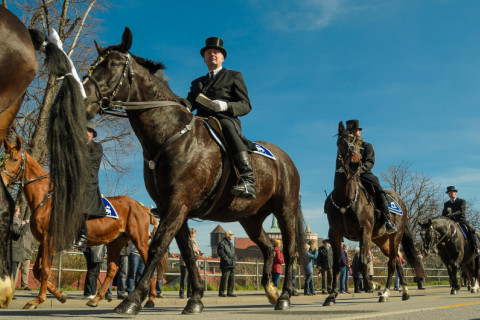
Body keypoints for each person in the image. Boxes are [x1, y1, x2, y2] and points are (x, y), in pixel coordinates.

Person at [186, 37, 256, 199]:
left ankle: (247, 178)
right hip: (201, 121)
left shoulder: (233, 75)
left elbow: (245, 105)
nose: (212, 54)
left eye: (216, 52)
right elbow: (189, 102)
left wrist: (226, 106)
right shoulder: (197, 83)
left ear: (222, 57)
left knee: (225, 125)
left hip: (225, 119)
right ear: (204, 58)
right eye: (209, 52)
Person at [347, 120, 397, 234]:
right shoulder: (346, 147)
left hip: (363, 174)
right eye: (351, 131)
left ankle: (388, 220)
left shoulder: (366, 146)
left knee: (377, 185)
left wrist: (358, 170)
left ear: (359, 132)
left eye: (355, 130)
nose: (354, 133)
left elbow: (369, 162)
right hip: (348, 175)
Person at [73, 121, 105, 251]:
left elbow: (89, 160)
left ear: (90, 133)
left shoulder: (97, 147)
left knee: (77, 203)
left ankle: (82, 236)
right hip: (76, 180)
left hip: (89, 181)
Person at [442, 186, 480, 254]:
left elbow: (461, 211)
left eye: (451, 192)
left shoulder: (462, 201)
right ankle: (441, 250)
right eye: (449, 193)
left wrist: (451, 214)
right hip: (450, 222)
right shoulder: (446, 204)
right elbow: (443, 214)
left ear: (455, 192)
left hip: (461, 220)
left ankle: (475, 247)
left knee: (470, 230)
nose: (450, 194)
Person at [179, 228, 200, 299]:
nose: (195, 235)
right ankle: (181, 293)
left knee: (190, 279)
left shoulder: (194, 240)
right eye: (194, 233)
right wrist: (195, 250)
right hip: (185, 263)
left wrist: (197, 250)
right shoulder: (186, 240)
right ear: (191, 234)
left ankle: (189, 293)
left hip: (192, 262)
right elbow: (187, 249)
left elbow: (196, 248)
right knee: (184, 279)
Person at [12, 206, 29, 286]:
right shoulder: (12, 222)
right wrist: (26, 225)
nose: (19, 213)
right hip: (13, 252)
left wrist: (22, 225)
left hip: (16, 252)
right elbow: (19, 233)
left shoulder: (16, 222)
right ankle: (9, 292)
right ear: (14, 212)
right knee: (12, 274)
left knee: (13, 273)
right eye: (18, 212)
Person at [218, 230, 237, 297]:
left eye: (232, 234)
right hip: (225, 264)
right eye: (231, 234)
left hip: (232, 264)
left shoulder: (231, 244)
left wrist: (235, 260)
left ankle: (230, 292)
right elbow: (220, 253)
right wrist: (227, 260)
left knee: (232, 278)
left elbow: (233, 253)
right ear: (227, 235)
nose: (232, 236)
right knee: (225, 278)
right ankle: (221, 292)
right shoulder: (222, 243)